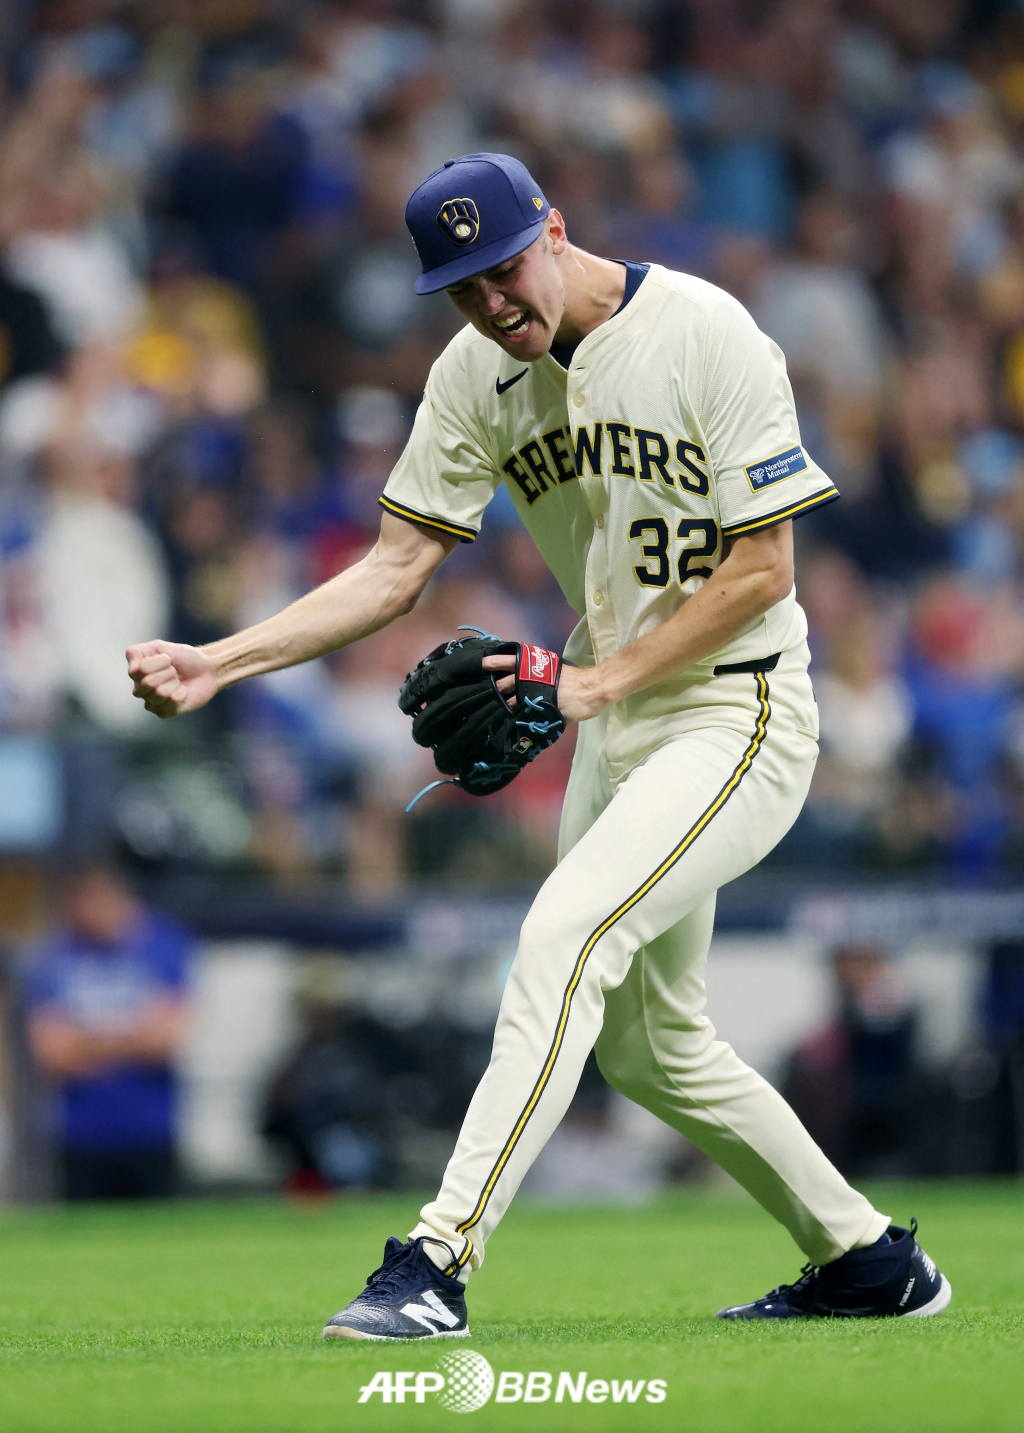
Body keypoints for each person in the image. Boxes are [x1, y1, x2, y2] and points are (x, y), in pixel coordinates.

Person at [127, 153, 950, 1330]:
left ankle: (436, 1260)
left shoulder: (706, 332)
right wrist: (222, 658)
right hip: (615, 715)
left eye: (504, 267)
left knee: (561, 937)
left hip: (739, 707)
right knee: (652, 1048)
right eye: (461, 286)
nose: (491, 301)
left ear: (555, 231)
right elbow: (396, 567)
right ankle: (868, 1260)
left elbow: (764, 567)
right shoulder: (475, 373)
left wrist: (599, 679)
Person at [26, 866, 191, 1200]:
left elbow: (167, 1039)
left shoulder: (162, 947)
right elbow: (52, 1052)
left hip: (149, 1128)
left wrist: (86, 1041)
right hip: (80, 1130)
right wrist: (132, 1036)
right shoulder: (56, 956)